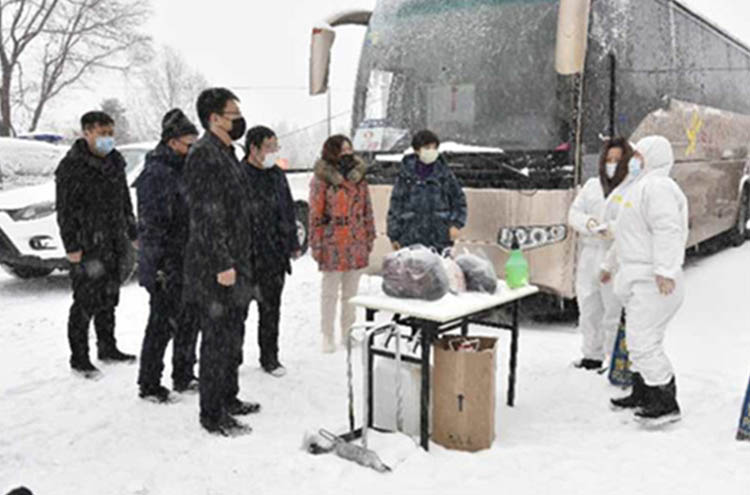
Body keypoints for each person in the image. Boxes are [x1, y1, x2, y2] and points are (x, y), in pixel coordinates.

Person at [183, 88, 259, 436]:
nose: (240, 120)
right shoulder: (203, 155)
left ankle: (229, 397)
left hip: (237, 259)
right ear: (214, 118)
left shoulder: (227, 152)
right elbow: (205, 216)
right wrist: (222, 262)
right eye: (233, 115)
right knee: (216, 339)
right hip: (216, 266)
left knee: (233, 335)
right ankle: (212, 414)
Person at [601, 136, 688, 426]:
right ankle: (643, 392)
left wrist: (665, 270)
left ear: (653, 156)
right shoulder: (641, 187)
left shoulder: (658, 187)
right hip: (638, 279)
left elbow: (667, 229)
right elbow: (629, 235)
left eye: (639, 155)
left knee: (643, 342)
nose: (633, 160)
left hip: (653, 281)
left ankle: (665, 401)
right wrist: (609, 264)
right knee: (638, 339)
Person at [55, 111, 138, 379]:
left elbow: (124, 200)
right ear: (87, 133)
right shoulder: (72, 166)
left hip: (113, 240)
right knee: (85, 301)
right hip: (87, 242)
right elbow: (65, 210)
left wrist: (132, 230)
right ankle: (79, 358)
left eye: (111, 133)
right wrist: (72, 246)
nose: (108, 138)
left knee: (109, 296)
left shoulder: (115, 162)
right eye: (102, 133)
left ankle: (107, 346)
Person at [134, 109, 200, 403]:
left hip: (188, 258)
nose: (192, 149)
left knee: (189, 321)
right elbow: (152, 225)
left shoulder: (185, 167)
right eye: (188, 144)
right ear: (172, 142)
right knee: (161, 324)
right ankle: (149, 383)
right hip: (166, 262)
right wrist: (158, 265)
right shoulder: (156, 174)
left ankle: (183, 374)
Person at [567, 137, 633, 370]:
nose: (612, 164)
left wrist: (612, 229)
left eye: (617, 160)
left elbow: (631, 222)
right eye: (609, 159)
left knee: (612, 309)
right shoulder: (592, 186)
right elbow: (574, 214)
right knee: (588, 306)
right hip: (590, 251)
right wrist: (590, 223)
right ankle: (591, 355)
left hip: (615, 254)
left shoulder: (631, 189)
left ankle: (612, 357)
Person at [241, 125, 301, 377]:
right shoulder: (238, 175)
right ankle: (231, 359)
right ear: (253, 148)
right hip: (245, 257)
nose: (273, 152)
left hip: (273, 256)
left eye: (276, 147)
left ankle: (270, 357)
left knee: (271, 310)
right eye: (269, 147)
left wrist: (292, 243)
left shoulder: (276, 175)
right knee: (237, 314)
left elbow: (287, 210)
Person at [309, 135, 375, 353]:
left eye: (349, 149)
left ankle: (348, 331)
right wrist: (316, 243)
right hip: (332, 240)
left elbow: (367, 209)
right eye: (342, 149)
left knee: (351, 293)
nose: (347, 153)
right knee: (330, 292)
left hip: (356, 239)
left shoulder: (359, 178)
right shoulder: (322, 179)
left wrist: (369, 235)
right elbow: (315, 215)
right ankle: (327, 334)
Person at [386, 130, 467, 252]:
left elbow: (459, 200)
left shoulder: (445, 174)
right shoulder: (406, 175)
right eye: (427, 148)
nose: (431, 151)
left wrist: (456, 224)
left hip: (439, 238)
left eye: (434, 148)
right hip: (410, 237)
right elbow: (396, 206)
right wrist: (394, 236)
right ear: (417, 150)